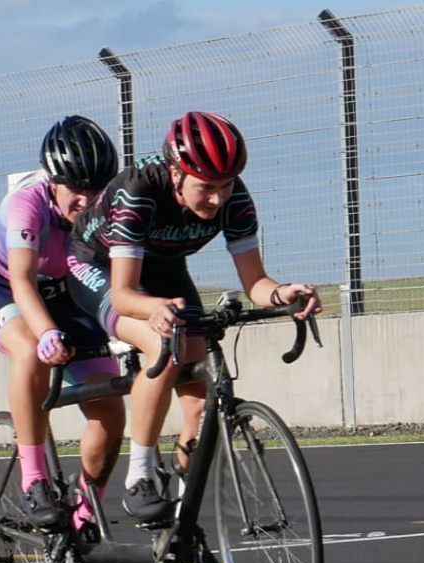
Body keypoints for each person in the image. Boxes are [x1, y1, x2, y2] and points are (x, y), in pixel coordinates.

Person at [66, 110, 321, 527]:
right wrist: (155, 311)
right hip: (100, 268)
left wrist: (282, 294)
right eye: (206, 188)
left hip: (166, 269)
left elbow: (256, 281)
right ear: (174, 173)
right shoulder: (138, 192)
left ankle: (183, 521)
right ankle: (140, 477)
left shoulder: (235, 198)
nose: (218, 198)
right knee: (163, 345)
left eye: (226, 186)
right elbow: (127, 294)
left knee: (202, 401)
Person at [0, 115, 125, 548]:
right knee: (31, 350)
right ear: (54, 181)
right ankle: (33, 480)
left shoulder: (109, 205)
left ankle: (84, 516)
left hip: (65, 292)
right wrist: (49, 334)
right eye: (78, 190)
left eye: (97, 190)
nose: (88, 200)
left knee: (109, 406)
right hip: (1, 287)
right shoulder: (25, 203)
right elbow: (21, 280)